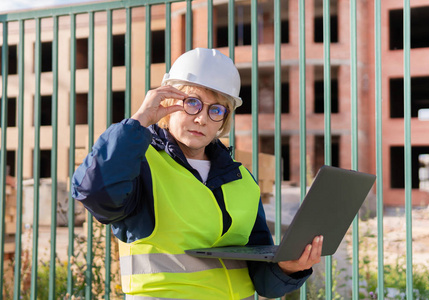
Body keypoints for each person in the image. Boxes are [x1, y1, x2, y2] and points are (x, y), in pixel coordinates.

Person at [72, 48, 323, 300]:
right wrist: (138, 122)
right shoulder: (139, 165)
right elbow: (95, 193)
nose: (202, 118)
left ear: (223, 121)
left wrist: (287, 268)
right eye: (192, 103)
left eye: (216, 110)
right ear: (167, 102)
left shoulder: (243, 181)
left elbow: (262, 279)